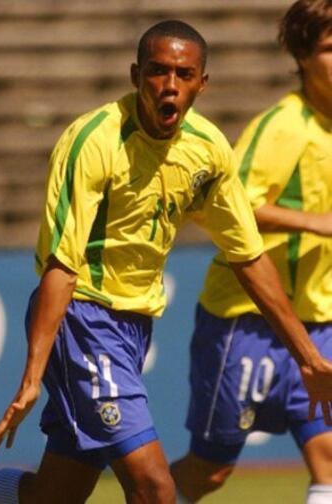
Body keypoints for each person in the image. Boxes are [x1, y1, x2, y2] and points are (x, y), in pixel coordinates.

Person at [0, 17, 332, 504]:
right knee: (155, 487)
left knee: (56, 495)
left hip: (134, 326)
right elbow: (62, 264)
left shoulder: (207, 151)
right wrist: (32, 375)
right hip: (83, 316)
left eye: (184, 75)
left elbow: (247, 255)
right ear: (134, 75)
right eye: (157, 72)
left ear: (202, 83)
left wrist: (308, 358)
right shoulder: (93, 142)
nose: (169, 86)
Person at [171, 2, 332, 504]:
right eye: (330, 47)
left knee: (329, 454)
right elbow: (227, 203)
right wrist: (317, 224)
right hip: (248, 319)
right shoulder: (285, 125)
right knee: (211, 470)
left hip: (318, 318)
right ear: (303, 56)